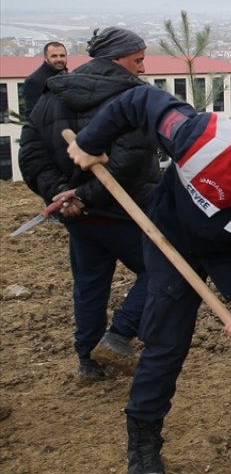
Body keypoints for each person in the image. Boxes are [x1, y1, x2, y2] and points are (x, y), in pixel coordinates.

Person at [66, 85, 231, 469]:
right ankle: (143, 444)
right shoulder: (201, 140)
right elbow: (140, 101)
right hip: (174, 240)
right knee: (165, 341)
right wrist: (92, 141)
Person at [18, 28, 157, 381]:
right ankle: (119, 335)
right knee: (163, 271)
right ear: (119, 58)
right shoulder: (135, 97)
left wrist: (62, 194)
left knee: (90, 285)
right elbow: (131, 160)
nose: (142, 68)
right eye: (138, 60)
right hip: (126, 212)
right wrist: (78, 194)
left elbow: (31, 154)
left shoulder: (54, 95)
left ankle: (89, 360)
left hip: (78, 216)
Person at [22, 40, 68, 113]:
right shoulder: (34, 81)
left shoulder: (69, 76)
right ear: (46, 57)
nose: (59, 59)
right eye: (54, 56)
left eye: (62, 55)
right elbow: (33, 113)